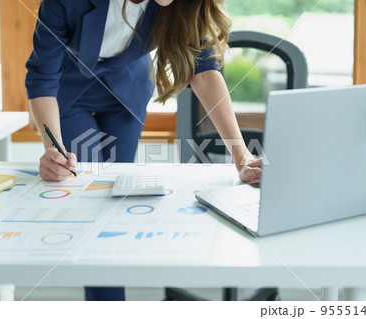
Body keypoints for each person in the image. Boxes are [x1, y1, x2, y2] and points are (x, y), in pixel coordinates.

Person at [25, 0, 262, 301]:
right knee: (87, 201)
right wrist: (52, 151)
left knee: (113, 203)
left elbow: (203, 72)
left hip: (125, 89)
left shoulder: (180, 4)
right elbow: (42, 76)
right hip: (68, 92)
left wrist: (242, 157)